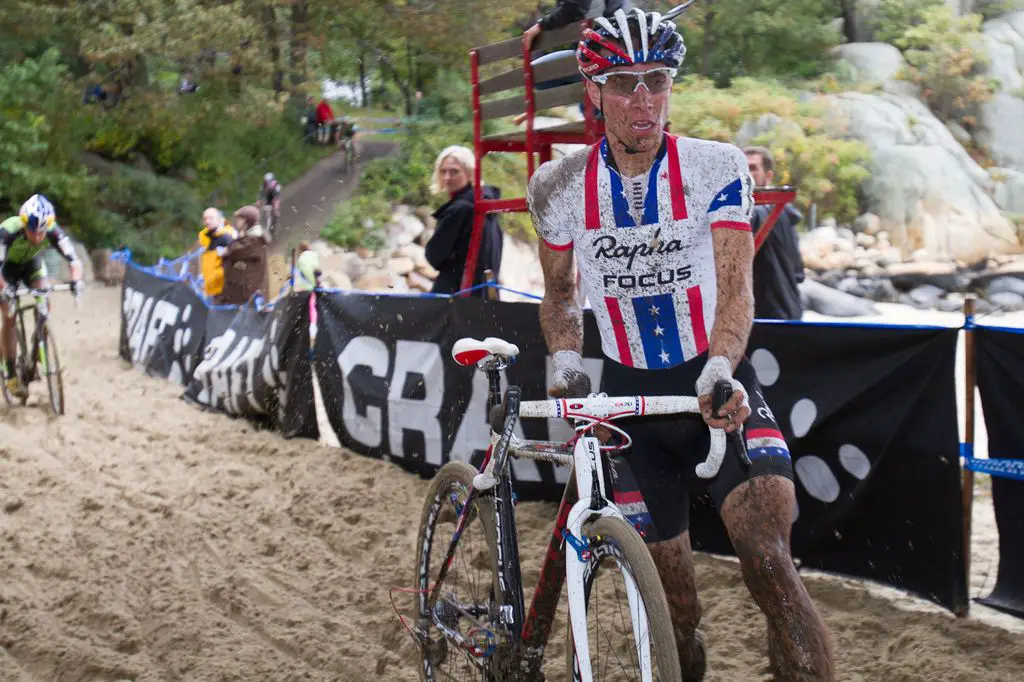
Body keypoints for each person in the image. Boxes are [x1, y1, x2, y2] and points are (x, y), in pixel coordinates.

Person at [526, 9, 836, 680]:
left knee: (770, 566)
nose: (644, 99)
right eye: (625, 82)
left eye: (658, 81)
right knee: (677, 612)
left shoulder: (714, 166)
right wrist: (564, 365)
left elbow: (735, 287)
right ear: (593, 90)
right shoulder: (556, 185)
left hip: (714, 384)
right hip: (632, 407)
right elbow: (558, 295)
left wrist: (721, 367)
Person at [0, 194, 84, 397]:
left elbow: (74, 260)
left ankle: (39, 343)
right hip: (6, 270)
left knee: (44, 298)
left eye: (41, 233)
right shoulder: (8, 231)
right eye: (32, 232)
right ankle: (10, 372)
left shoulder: (53, 231)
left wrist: (76, 281)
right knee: (8, 315)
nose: (38, 237)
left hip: (32, 265)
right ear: (24, 224)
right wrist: (5, 289)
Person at [424, 146, 503, 297]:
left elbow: (434, 256)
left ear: (469, 173)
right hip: (486, 293)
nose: (447, 177)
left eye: (454, 171)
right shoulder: (489, 206)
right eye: (443, 171)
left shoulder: (461, 209)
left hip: (458, 294)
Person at [744, 146, 805, 321]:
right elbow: (799, 273)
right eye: (741, 167)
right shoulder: (786, 210)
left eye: (752, 168)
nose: (745, 173)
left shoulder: (754, 213)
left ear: (768, 176)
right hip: (791, 312)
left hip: (763, 318)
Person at [219, 208, 270, 306]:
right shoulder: (248, 239)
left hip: (245, 296)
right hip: (238, 294)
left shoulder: (255, 240)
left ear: (246, 221)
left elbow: (235, 252)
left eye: (239, 219)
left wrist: (228, 248)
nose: (236, 222)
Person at [197, 208, 237, 299]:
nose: (207, 221)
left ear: (219, 219)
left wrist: (211, 281)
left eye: (211, 218)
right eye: (205, 218)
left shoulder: (227, 237)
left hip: (223, 289)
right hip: (209, 288)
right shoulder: (206, 238)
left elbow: (230, 266)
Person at [260, 172, 282, 236]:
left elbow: (277, 197)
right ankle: (267, 228)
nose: (266, 182)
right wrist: (259, 200)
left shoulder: (276, 185)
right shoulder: (264, 186)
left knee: (276, 214)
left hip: (275, 199)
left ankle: (274, 226)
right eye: (265, 181)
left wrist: (275, 208)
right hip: (268, 200)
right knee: (267, 213)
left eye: (267, 181)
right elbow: (261, 193)